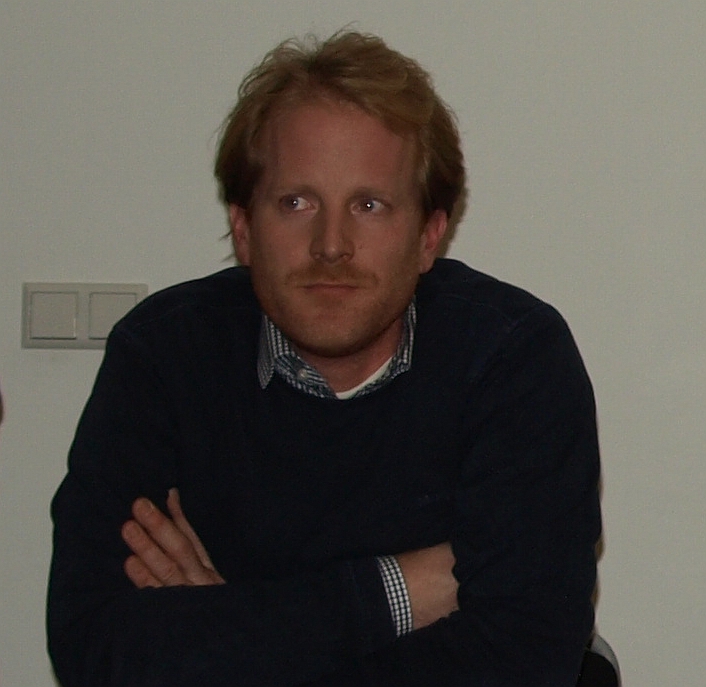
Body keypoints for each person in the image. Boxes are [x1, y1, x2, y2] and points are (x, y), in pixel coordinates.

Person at [47, 31, 601, 687]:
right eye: (296, 202)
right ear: (244, 229)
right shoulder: (164, 357)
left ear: (429, 235)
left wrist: (232, 632)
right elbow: (95, 648)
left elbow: (523, 660)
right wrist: (399, 590)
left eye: (369, 205)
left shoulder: (511, 359)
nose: (331, 244)